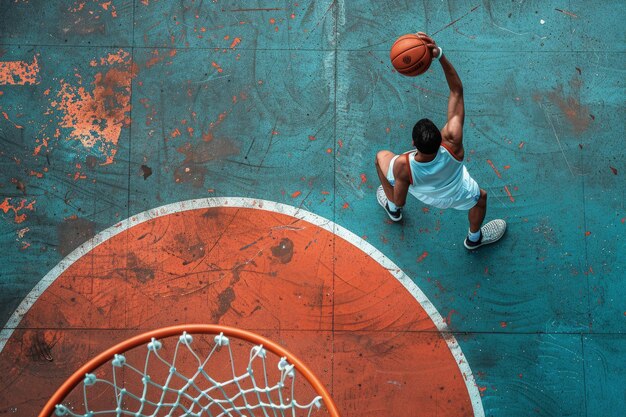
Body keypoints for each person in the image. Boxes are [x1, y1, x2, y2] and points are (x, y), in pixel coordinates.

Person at [374, 32, 506, 250]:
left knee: (380, 158)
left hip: (423, 192)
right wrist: (440, 55)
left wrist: (395, 202)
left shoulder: (404, 166)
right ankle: (474, 239)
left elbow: (401, 199)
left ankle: (392, 213)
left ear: (413, 143)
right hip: (456, 192)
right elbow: (457, 91)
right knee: (481, 197)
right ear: (440, 136)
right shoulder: (453, 142)